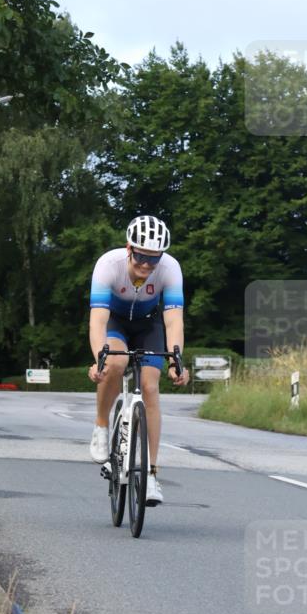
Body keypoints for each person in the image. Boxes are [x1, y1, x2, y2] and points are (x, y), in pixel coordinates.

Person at [87, 215, 190, 506]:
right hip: (115, 323)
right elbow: (98, 320)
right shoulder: (108, 265)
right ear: (129, 248)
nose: (146, 265)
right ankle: (101, 426)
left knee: (150, 387)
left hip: (148, 324)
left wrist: (176, 362)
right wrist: (99, 360)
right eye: (141, 257)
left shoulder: (170, 268)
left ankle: (151, 474)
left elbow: (173, 321)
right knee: (115, 364)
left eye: (153, 259)